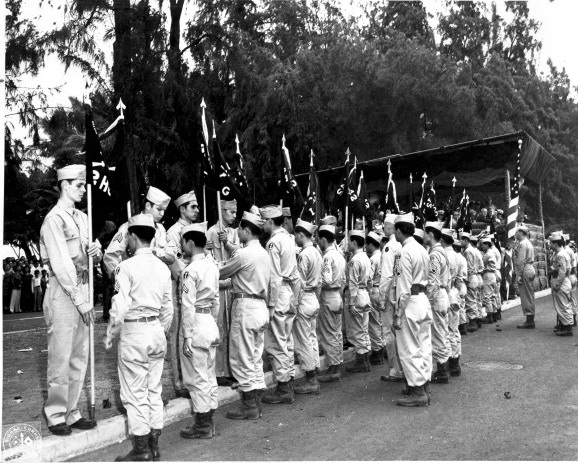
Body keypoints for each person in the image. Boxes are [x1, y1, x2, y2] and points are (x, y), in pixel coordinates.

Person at [104, 214, 173, 461]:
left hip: (134, 330)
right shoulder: (163, 267)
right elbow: (168, 310)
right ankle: (154, 444)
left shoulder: (126, 267)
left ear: (133, 237)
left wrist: (111, 333)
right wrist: (159, 330)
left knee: (134, 393)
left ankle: (141, 449)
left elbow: (119, 307)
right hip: (156, 329)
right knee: (154, 389)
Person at [40, 164, 101, 436]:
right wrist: (81, 300)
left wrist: (96, 252)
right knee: (61, 357)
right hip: (64, 292)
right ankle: (55, 415)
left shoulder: (82, 217)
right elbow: (63, 266)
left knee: (80, 355)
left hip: (83, 288)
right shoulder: (54, 219)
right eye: (78, 185)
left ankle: (72, 411)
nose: (82, 190)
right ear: (64, 185)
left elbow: (86, 257)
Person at [219, 211, 271, 420]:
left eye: (240, 229)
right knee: (255, 356)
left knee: (241, 357)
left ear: (247, 231)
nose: (237, 232)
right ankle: (255, 402)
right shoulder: (263, 253)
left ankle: (249, 404)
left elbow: (221, 272)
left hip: (246, 306)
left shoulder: (243, 254)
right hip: (259, 305)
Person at [178, 222, 220, 439]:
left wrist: (187, 335)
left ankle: (203, 425)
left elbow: (187, 305)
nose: (181, 245)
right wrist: (212, 321)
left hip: (195, 322)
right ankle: (209, 420)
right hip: (209, 322)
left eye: (183, 241)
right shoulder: (212, 266)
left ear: (190, 243)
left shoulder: (189, 271)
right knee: (209, 374)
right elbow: (216, 300)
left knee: (197, 377)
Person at [260, 205, 300, 404]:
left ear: (269, 221)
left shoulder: (273, 242)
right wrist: (297, 297)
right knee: (287, 340)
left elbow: (274, 277)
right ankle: (288, 380)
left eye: (263, 221)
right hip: (290, 291)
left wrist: (270, 305)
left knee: (277, 343)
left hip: (279, 292)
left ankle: (283, 386)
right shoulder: (290, 239)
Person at [392, 213, 432, 407]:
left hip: (410, 303)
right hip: (423, 299)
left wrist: (398, 313)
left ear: (399, 231)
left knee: (409, 348)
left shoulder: (402, 253)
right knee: (423, 346)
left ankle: (417, 391)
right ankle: (423, 385)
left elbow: (402, 284)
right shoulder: (423, 250)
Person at [166, 191, 200, 398]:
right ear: (182, 209)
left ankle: (192, 377)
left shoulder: (195, 229)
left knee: (192, 335)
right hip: (180, 288)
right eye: (193, 206)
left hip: (196, 289)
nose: (196, 210)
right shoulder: (173, 232)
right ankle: (181, 383)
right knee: (179, 336)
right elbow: (176, 264)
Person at [103, 186, 175, 276]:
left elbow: (172, 256)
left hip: (156, 282)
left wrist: (154, 251)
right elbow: (110, 256)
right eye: (159, 209)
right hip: (135, 282)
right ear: (148, 206)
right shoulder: (128, 227)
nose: (162, 214)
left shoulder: (161, 230)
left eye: (164, 210)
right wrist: (120, 278)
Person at [207, 199, 240, 386]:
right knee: (219, 329)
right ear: (222, 211)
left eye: (236, 212)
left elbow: (239, 255)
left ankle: (230, 369)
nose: (234, 216)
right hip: (219, 287)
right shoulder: (212, 231)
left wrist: (227, 243)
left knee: (231, 330)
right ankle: (218, 371)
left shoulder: (234, 233)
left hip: (232, 287)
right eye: (231, 212)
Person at [292, 218, 323, 394]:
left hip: (304, 298)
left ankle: (311, 379)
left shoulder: (304, 255)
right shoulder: (317, 252)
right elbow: (319, 281)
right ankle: (315, 371)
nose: (295, 237)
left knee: (303, 341)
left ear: (301, 234)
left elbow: (299, 282)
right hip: (314, 298)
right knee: (311, 338)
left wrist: (295, 302)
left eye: (296, 234)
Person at [316, 224, 346, 383]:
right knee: (336, 333)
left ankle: (333, 368)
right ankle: (336, 365)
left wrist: (316, 281)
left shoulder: (327, 256)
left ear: (323, 239)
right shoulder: (340, 255)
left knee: (328, 334)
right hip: (337, 295)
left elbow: (326, 280)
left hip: (328, 295)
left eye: (319, 239)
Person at [424, 222, 451, 385]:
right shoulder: (442, 252)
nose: (424, 236)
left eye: (425, 233)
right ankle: (444, 368)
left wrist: (427, 300)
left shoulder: (434, 254)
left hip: (437, 295)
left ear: (431, 235)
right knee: (443, 332)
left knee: (438, 334)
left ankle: (441, 371)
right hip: (443, 293)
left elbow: (432, 282)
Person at [378, 214, 404, 383]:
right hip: (400, 291)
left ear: (389, 227)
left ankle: (395, 370)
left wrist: (381, 298)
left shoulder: (389, 247)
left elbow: (386, 276)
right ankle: (402, 367)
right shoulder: (402, 245)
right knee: (400, 333)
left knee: (389, 333)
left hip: (390, 293)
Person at [344, 230, 373, 373]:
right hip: (365, 294)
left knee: (355, 330)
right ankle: (365, 359)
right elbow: (370, 281)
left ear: (354, 243)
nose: (348, 243)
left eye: (349, 241)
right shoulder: (366, 257)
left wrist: (351, 302)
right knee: (363, 329)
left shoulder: (355, 260)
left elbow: (353, 283)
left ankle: (361, 361)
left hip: (356, 295)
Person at [441, 229, 463, 377]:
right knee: (454, 328)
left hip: (447, 292)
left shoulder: (443, 255)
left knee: (446, 329)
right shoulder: (457, 256)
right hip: (455, 291)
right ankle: (455, 362)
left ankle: (449, 362)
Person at [366, 231, 386, 365]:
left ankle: (377, 351)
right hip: (381, 289)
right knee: (380, 322)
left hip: (374, 289)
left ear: (371, 245)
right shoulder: (383, 256)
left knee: (373, 323)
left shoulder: (373, 259)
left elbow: (369, 278)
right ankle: (382, 348)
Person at [549, 232, 573, 337]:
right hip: (562, 281)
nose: (550, 245)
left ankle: (567, 328)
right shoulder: (560, 254)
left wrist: (557, 284)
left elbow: (562, 272)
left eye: (551, 243)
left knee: (563, 305)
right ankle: (564, 325)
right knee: (561, 305)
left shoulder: (561, 255)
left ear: (555, 244)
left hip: (561, 282)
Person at [514, 225, 536, 329]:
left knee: (526, 295)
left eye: (517, 232)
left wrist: (519, 275)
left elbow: (520, 261)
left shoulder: (522, 244)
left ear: (521, 233)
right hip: (529, 268)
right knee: (529, 294)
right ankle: (530, 317)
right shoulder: (527, 243)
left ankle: (529, 319)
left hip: (525, 269)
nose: (516, 234)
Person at [461, 232, 479, 333]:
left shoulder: (467, 251)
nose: (460, 242)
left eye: (462, 240)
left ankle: (473, 321)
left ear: (466, 240)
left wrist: (465, 279)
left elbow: (468, 267)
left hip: (471, 276)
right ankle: (475, 320)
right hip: (474, 276)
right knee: (473, 299)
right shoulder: (473, 250)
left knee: (470, 300)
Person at [480, 235, 499, 324]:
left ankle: (489, 315)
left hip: (488, 274)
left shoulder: (487, 254)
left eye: (483, 245)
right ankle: (494, 313)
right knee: (492, 295)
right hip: (492, 275)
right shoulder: (491, 252)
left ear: (487, 245)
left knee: (487, 296)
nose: (482, 246)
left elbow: (482, 263)